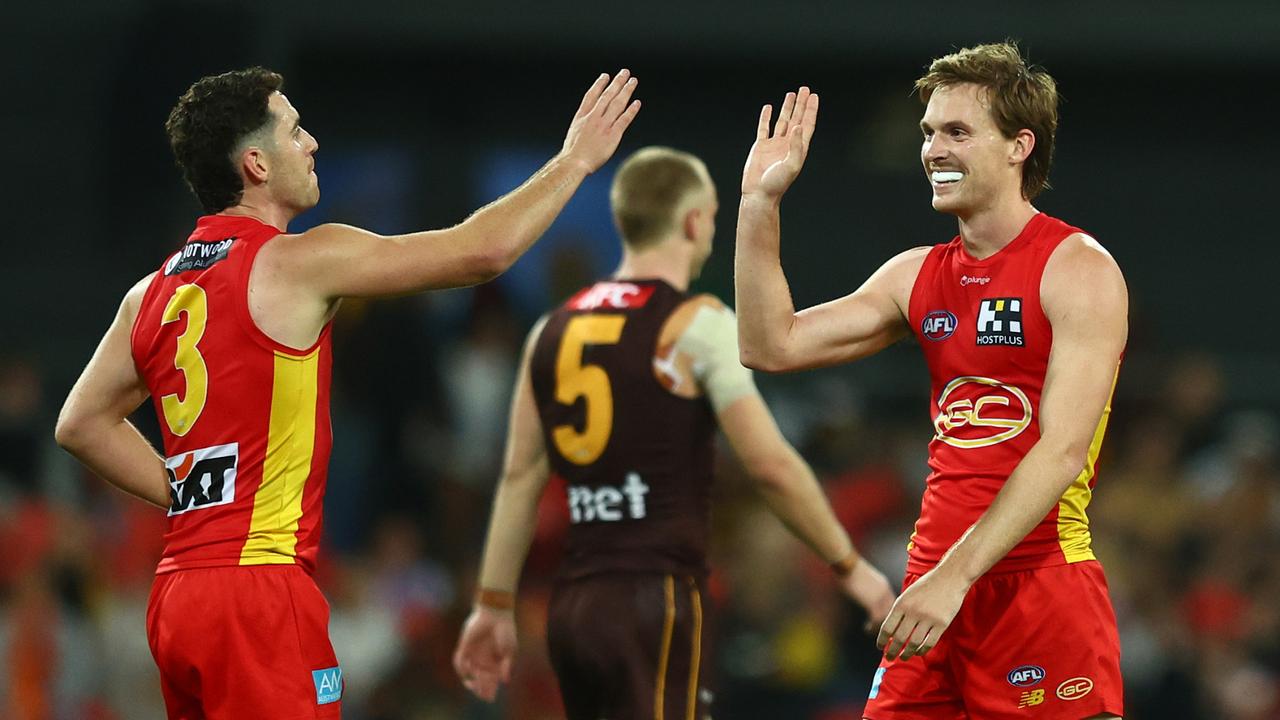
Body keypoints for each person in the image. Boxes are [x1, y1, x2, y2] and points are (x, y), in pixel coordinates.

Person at [53, 65, 640, 719]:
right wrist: (574, 161)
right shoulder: (301, 262)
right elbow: (481, 253)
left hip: (178, 592)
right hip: (262, 589)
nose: (312, 144)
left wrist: (185, 493)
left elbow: (81, 422)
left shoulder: (150, 293)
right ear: (255, 163)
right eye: (294, 130)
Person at [733, 43, 1127, 720]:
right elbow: (769, 345)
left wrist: (955, 576)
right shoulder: (915, 274)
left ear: (1018, 146)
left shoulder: (1077, 268)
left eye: (957, 132)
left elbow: (1062, 451)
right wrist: (758, 205)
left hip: (1035, 590)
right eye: (928, 133)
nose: (933, 150)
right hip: (931, 596)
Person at [452, 146, 896, 719]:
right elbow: (771, 466)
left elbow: (518, 478)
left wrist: (492, 604)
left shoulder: (551, 330)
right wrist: (850, 568)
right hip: (654, 596)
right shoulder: (698, 325)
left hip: (575, 604)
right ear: (694, 221)